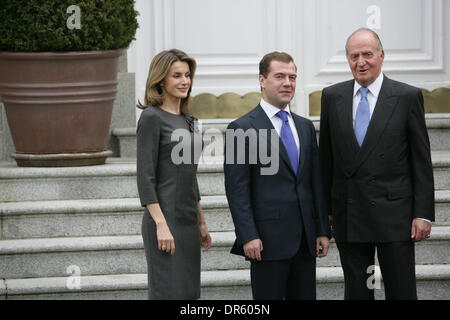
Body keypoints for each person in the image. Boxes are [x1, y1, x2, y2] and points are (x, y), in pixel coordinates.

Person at [319, 28, 435, 300]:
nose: (360, 62)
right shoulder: (332, 96)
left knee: (401, 291)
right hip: (349, 214)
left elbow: (421, 160)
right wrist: (325, 213)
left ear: (382, 56)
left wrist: (423, 213)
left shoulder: (407, 96)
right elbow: (327, 160)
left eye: (367, 54)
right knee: (358, 293)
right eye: (353, 56)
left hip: (395, 216)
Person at [224, 52, 330, 300]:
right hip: (266, 242)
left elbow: (315, 183)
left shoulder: (304, 126)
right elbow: (237, 189)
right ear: (262, 80)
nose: (287, 83)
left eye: (292, 77)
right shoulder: (242, 128)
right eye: (279, 76)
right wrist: (248, 234)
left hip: (305, 242)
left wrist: (322, 230)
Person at [136, 49, 211, 300]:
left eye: (187, 75)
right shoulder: (151, 117)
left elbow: (190, 175)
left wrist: (200, 221)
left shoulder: (191, 120)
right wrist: (160, 224)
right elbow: (145, 177)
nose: (185, 81)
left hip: (188, 221)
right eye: (176, 75)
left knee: (189, 293)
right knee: (168, 292)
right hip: (163, 219)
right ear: (161, 80)